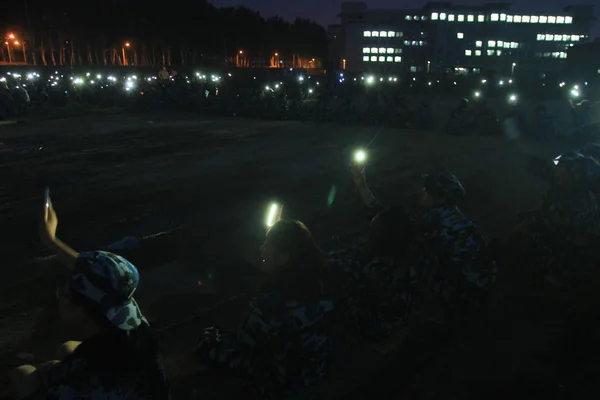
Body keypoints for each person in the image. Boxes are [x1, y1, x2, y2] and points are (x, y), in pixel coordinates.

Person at [10, 201, 170, 399]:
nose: (58, 296)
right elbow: (100, 278)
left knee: (23, 375)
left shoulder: (78, 385)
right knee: (67, 349)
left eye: (63, 294)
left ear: (81, 311)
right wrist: (51, 240)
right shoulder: (131, 322)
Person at [197, 220, 334, 399]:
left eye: (267, 244)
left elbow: (246, 349)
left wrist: (209, 341)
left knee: (209, 345)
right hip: (314, 375)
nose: (261, 249)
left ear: (285, 255)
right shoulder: (322, 284)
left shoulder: (270, 304)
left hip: (280, 388)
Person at [328, 163, 417, 340]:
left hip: (369, 329)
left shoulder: (363, 264)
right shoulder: (406, 251)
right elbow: (382, 215)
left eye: (374, 223)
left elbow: (319, 264)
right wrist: (362, 185)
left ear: (377, 234)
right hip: (397, 319)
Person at [515, 151, 600, 286]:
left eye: (563, 171)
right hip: (573, 239)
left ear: (574, 177)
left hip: (576, 258)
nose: (558, 172)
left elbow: (540, 219)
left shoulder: (575, 205)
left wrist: (514, 232)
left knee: (524, 237)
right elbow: (549, 172)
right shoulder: (575, 187)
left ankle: (554, 275)